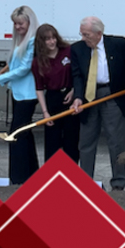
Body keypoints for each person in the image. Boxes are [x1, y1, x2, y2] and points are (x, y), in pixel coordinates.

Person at [70, 15, 125, 192]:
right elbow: (76, 75)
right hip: (88, 97)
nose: (83, 38)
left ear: (99, 33)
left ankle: (119, 182)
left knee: (116, 141)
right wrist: (77, 97)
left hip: (113, 95)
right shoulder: (77, 49)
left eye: (87, 35)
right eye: (82, 34)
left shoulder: (118, 44)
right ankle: (85, 181)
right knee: (86, 141)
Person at [0, 5, 40, 185]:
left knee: (16, 134)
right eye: (15, 23)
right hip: (19, 93)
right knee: (24, 133)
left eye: (20, 23)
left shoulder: (32, 42)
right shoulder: (21, 41)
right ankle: (30, 173)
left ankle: (19, 177)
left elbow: (24, 68)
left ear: (30, 23)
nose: (17, 27)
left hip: (27, 94)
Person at [33, 23, 80, 164]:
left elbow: (78, 74)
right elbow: (39, 88)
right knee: (52, 140)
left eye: (53, 38)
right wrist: (45, 112)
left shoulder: (68, 51)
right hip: (52, 99)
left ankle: (71, 171)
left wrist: (74, 91)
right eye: (47, 39)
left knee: (71, 139)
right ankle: (52, 172)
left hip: (70, 97)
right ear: (41, 42)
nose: (52, 42)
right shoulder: (38, 61)